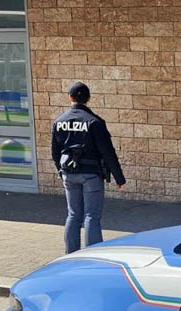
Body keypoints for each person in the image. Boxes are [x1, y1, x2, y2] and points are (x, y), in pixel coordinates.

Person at [51, 81, 125, 253]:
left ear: (70, 97)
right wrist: (119, 178)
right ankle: (92, 254)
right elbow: (108, 152)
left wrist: (61, 172)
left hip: (69, 174)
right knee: (91, 216)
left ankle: (70, 255)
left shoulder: (59, 121)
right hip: (91, 175)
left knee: (73, 215)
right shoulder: (95, 122)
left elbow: (55, 152)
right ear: (88, 98)